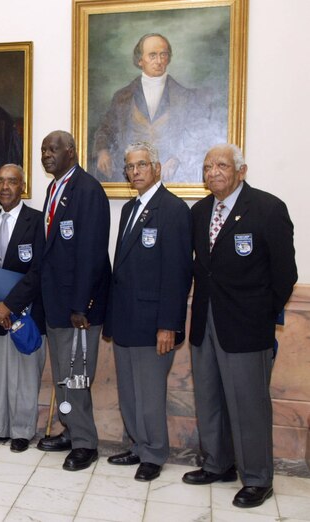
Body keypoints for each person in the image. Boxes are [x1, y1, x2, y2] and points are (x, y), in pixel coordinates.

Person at [182, 144, 297, 508]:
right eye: (207, 166)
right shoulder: (199, 212)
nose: (213, 171)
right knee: (209, 398)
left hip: (247, 327)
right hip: (205, 322)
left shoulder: (268, 209)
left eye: (221, 165)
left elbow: (285, 275)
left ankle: (258, 478)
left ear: (241, 171)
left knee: (249, 405)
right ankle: (218, 464)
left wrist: (261, 313)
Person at [0, 130, 110, 471]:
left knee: (76, 376)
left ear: (71, 151)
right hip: (55, 304)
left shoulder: (88, 190)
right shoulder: (54, 189)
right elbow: (46, 258)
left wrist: (80, 306)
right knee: (63, 375)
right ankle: (71, 431)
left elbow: (92, 254)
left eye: (53, 149)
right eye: (43, 149)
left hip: (77, 309)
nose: (46, 154)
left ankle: (85, 443)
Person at [103, 142, 192, 481]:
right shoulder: (129, 209)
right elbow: (120, 270)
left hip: (154, 322)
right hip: (126, 318)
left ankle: (154, 453)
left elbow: (177, 274)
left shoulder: (173, 210)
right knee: (129, 390)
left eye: (141, 165)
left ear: (157, 168)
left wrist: (168, 324)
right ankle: (138, 445)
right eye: (130, 167)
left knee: (150, 392)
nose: (135, 171)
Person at [0, 164, 45, 453]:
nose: (4, 187)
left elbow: (39, 270)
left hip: (26, 313)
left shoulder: (37, 222)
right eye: (0, 181)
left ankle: (23, 430)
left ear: (22, 186)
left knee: (25, 373)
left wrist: (9, 305)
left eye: (11, 182)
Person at [92, 33, 219, 183]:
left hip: (172, 177)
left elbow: (199, 136)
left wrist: (177, 158)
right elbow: (106, 130)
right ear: (140, 60)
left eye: (163, 55)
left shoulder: (186, 97)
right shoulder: (122, 97)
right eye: (152, 55)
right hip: (129, 175)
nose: (159, 61)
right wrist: (103, 151)